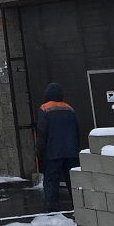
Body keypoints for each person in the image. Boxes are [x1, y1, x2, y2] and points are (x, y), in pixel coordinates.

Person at [36, 82, 80, 212]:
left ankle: (52, 208)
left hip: (53, 152)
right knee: (73, 180)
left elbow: (42, 133)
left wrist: (40, 151)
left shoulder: (44, 109)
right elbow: (77, 131)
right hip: (71, 152)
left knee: (51, 180)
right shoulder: (69, 109)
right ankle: (78, 205)